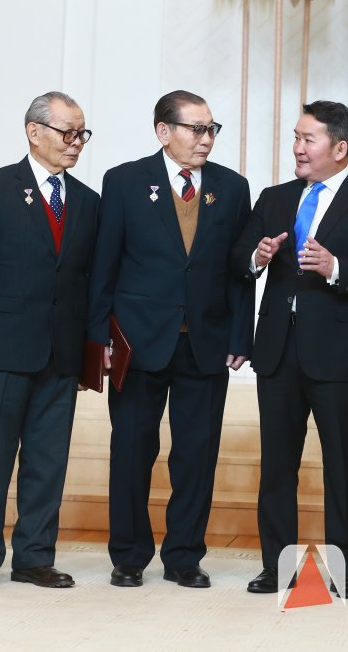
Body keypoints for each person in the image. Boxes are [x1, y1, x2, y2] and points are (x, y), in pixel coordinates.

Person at [236, 100, 348, 599]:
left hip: (339, 356)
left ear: (339, 148)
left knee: (344, 467)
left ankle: (345, 570)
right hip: (277, 350)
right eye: (296, 137)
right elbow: (238, 257)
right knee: (277, 467)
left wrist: (337, 268)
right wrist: (257, 256)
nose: (297, 147)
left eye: (307, 139)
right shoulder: (274, 198)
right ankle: (276, 567)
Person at [87, 90, 253, 589]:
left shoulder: (232, 187)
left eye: (211, 129)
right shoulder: (124, 181)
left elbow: (238, 271)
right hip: (137, 343)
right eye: (196, 129)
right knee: (132, 451)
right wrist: (99, 337)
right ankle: (129, 556)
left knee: (196, 455)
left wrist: (240, 335)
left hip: (205, 342)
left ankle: (184, 556)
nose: (207, 139)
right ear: (164, 131)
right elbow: (104, 264)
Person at [0, 91, 99, 590]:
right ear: (34, 132)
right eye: (67, 132)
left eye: (82, 133)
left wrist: (88, 355)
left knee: (48, 462)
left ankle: (35, 557)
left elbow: (87, 283)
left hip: (61, 354)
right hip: (2, 352)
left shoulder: (88, 201)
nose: (76, 142)